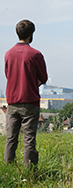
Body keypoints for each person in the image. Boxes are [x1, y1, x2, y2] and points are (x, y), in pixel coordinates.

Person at [4, 19, 48, 169]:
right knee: (29, 140)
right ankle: (29, 172)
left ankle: (8, 169)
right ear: (31, 34)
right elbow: (43, 78)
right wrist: (31, 82)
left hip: (12, 101)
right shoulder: (36, 55)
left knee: (11, 139)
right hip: (30, 101)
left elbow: (8, 75)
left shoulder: (8, 54)